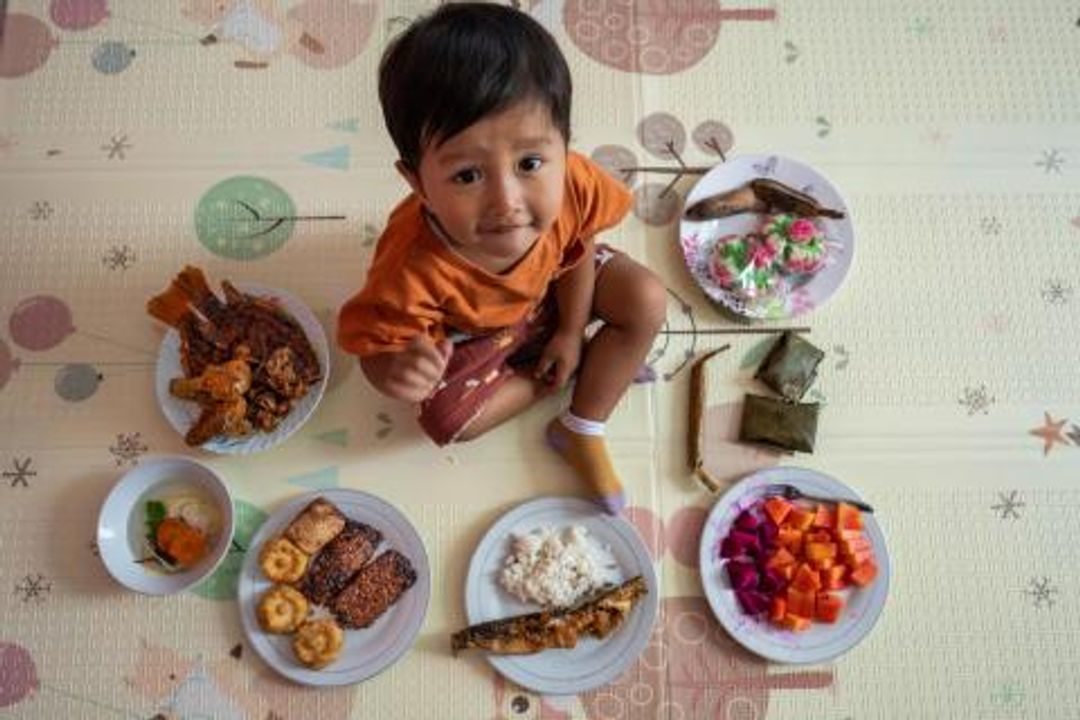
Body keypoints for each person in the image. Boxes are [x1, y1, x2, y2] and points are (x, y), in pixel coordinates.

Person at [337, 3, 666, 514]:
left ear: (564, 145)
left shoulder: (573, 182)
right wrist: (394, 369)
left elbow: (576, 252)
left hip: (562, 290)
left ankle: (581, 424)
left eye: (530, 162)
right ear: (416, 182)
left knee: (647, 298)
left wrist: (570, 332)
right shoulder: (409, 266)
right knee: (450, 423)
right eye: (467, 175)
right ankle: (575, 369)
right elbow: (374, 349)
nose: (507, 202)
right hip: (477, 332)